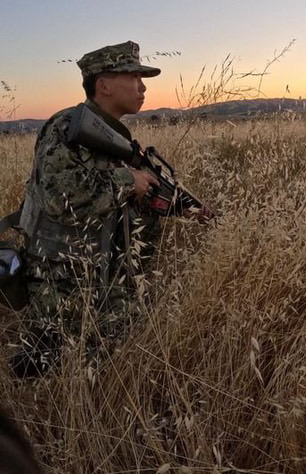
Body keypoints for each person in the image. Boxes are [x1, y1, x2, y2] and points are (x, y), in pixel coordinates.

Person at [10, 40, 205, 377]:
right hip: (62, 276)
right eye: (134, 77)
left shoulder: (116, 137)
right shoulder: (65, 128)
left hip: (107, 274)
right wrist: (127, 181)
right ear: (104, 84)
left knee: (108, 364)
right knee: (44, 365)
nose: (143, 87)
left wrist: (180, 206)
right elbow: (58, 197)